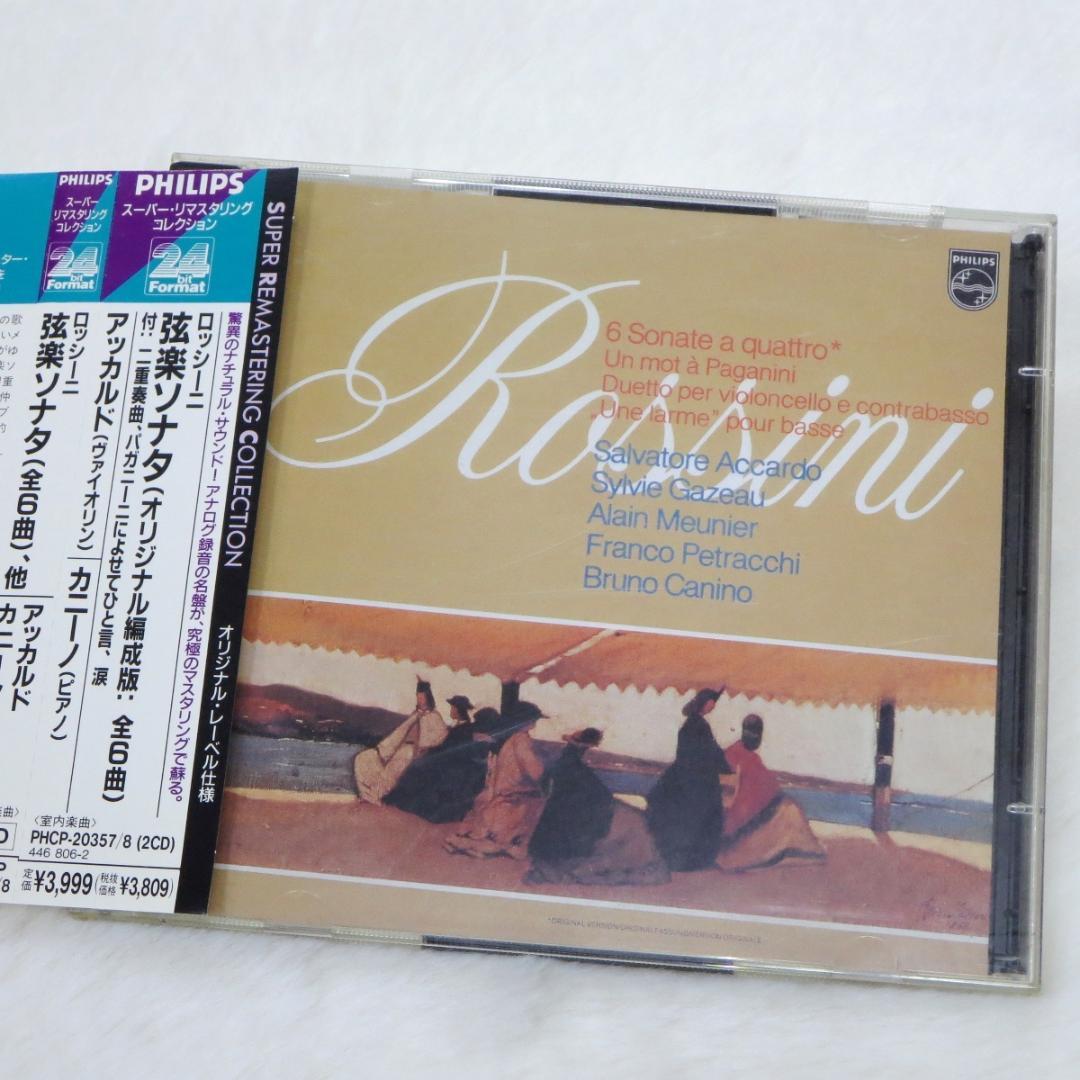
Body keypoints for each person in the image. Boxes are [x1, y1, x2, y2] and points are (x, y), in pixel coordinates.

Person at [526, 728, 670, 887]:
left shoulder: (564, 765)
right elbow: (597, 798)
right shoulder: (576, 769)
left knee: (630, 819)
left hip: (565, 821)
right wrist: (613, 803)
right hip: (576, 824)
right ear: (585, 747)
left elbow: (591, 795)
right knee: (634, 823)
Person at [716, 714, 825, 871]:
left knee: (788, 808)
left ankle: (805, 850)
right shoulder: (745, 757)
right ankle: (807, 851)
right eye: (755, 735)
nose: (756, 739)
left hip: (740, 815)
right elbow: (756, 788)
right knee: (791, 810)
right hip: (741, 818)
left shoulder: (735, 752)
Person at [443, 702, 548, 859]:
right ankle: (469, 844)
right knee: (541, 803)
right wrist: (546, 775)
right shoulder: (522, 741)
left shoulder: (512, 738)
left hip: (504, 791)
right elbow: (535, 772)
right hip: (514, 796)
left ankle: (470, 844)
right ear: (526, 721)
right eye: (534, 719)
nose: (535, 723)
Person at [645, 687, 732, 871]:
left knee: (684, 819)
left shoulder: (692, 723)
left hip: (683, 775)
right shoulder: (699, 725)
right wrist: (726, 767)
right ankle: (693, 862)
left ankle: (680, 859)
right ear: (706, 703)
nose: (713, 706)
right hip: (696, 778)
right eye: (712, 703)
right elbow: (711, 752)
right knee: (699, 817)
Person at [382, 695, 490, 822]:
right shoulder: (461, 727)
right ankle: (398, 798)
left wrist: (430, 751)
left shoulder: (464, 728)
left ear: (458, 710)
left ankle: (401, 800)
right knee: (418, 766)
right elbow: (446, 746)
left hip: (453, 764)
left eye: (453, 708)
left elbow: (449, 748)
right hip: (448, 760)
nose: (451, 711)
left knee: (418, 768)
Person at [353, 677, 448, 804]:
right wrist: (383, 751)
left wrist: (421, 749)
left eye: (422, 697)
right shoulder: (415, 715)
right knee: (364, 757)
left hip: (414, 753)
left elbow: (439, 740)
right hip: (396, 749)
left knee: (400, 759)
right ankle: (366, 794)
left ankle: (375, 796)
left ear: (428, 698)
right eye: (418, 697)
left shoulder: (435, 717)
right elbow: (398, 735)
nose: (419, 700)